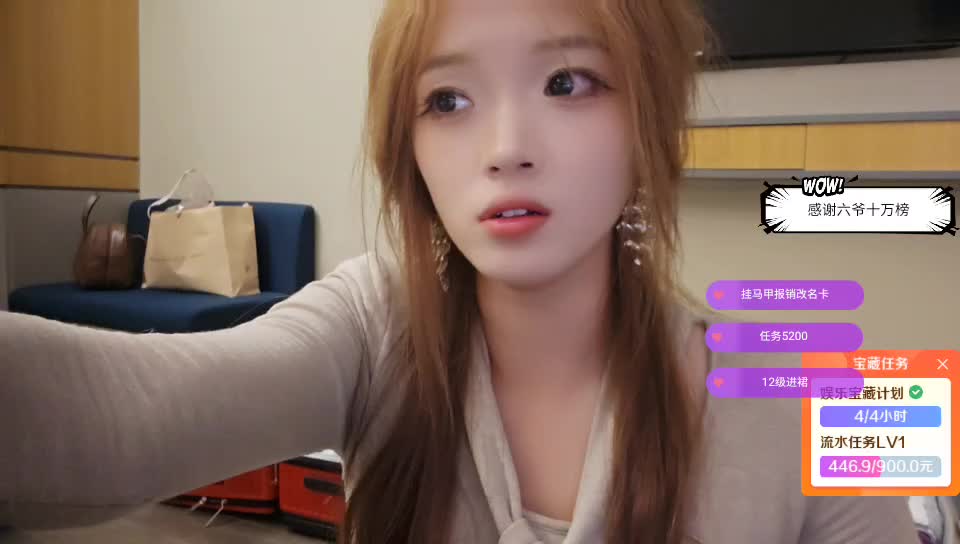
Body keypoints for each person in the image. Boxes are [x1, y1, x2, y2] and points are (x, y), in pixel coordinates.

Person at [0, 0, 918, 543]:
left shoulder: (808, 396)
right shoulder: (376, 325)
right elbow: (121, 415)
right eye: (447, 99)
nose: (506, 148)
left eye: (567, 82)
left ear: (648, 115)